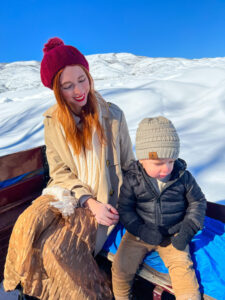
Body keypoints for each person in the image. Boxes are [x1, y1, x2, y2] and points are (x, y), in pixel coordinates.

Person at [3, 37, 134, 300]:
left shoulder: (113, 116)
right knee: (26, 228)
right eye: (67, 85)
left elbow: (129, 165)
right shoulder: (53, 121)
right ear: (57, 90)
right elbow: (60, 169)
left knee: (55, 249)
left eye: (82, 79)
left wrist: (126, 205)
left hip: (102, 202)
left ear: (88, 75)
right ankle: (27, 291)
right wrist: (86, 200)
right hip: (68, 195)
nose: (78, 90)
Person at [112, 116, 207, 300]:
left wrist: (187, 230)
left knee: (183, 271)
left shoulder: (183, 177)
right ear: (142, 159)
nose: (166, 169)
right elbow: (125, 209)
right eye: (158, 163)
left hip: (173, 235)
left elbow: (198, 202)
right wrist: (140, 229)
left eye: (171, 161)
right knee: (121, 267)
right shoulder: (133, 179)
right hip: (139, 233)